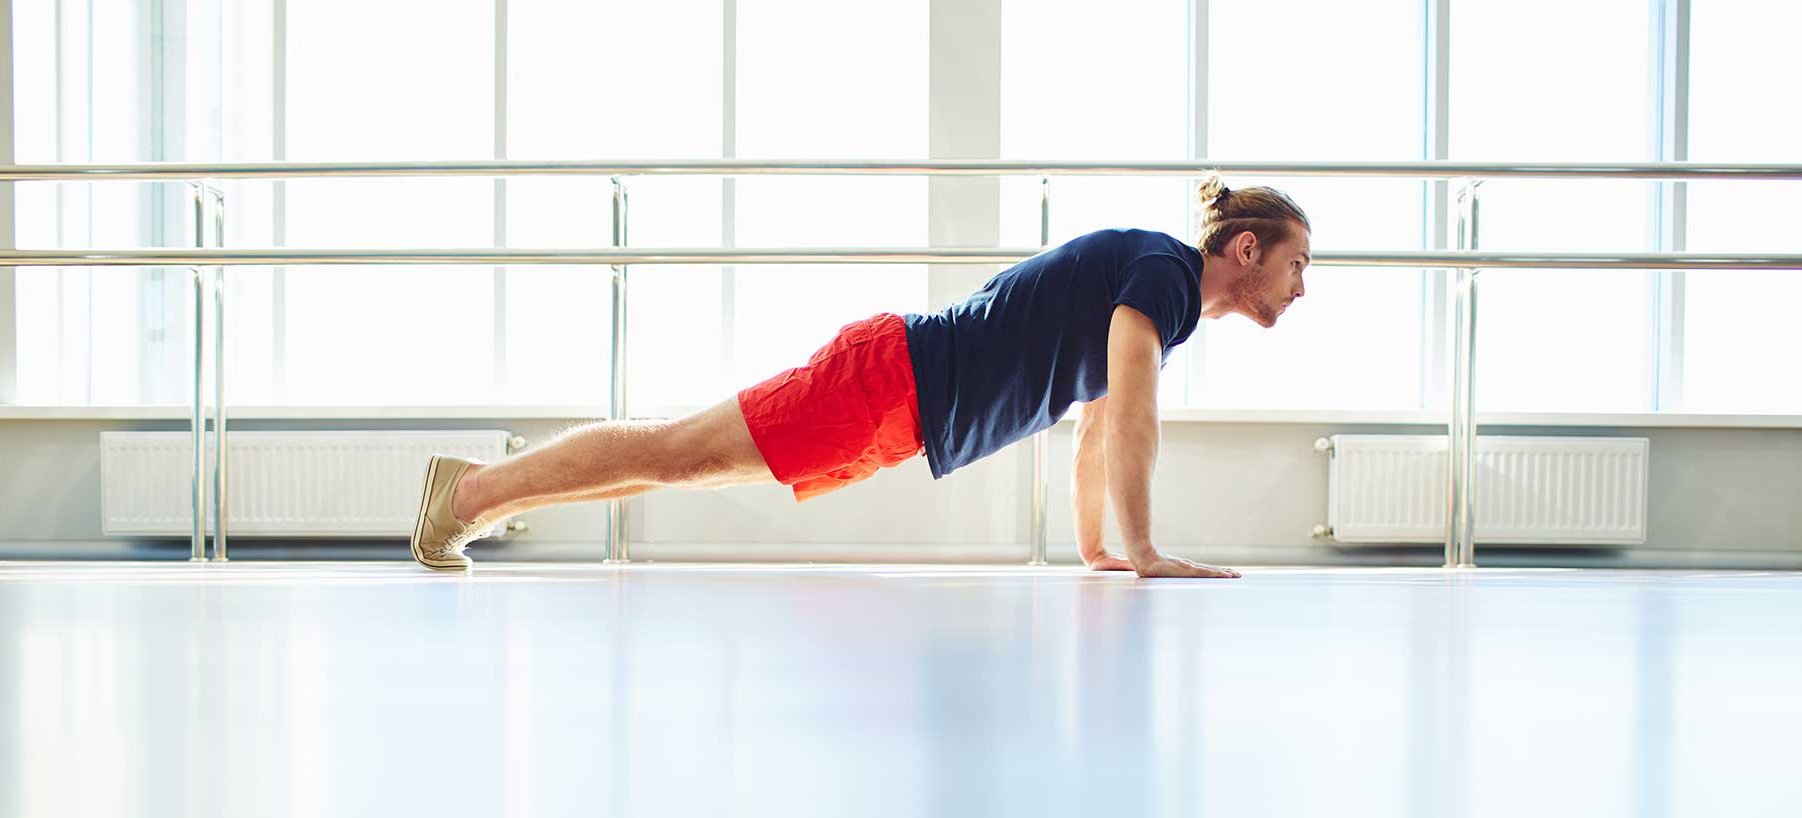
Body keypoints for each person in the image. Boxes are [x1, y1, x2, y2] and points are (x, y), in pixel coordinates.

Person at [411, 174, 1309, 578]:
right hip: (887, 382)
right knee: (676, 451)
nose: (1300, 287)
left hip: (895, 408)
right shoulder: (1162, 276)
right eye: (1296, 264)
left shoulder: (1159, 294)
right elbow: (1135, 420)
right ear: (1244, 248)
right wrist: (1147, 552)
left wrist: (1096, 547)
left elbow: (1101, 420)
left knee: (679, 457)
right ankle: (469, 497)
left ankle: (473, 497)